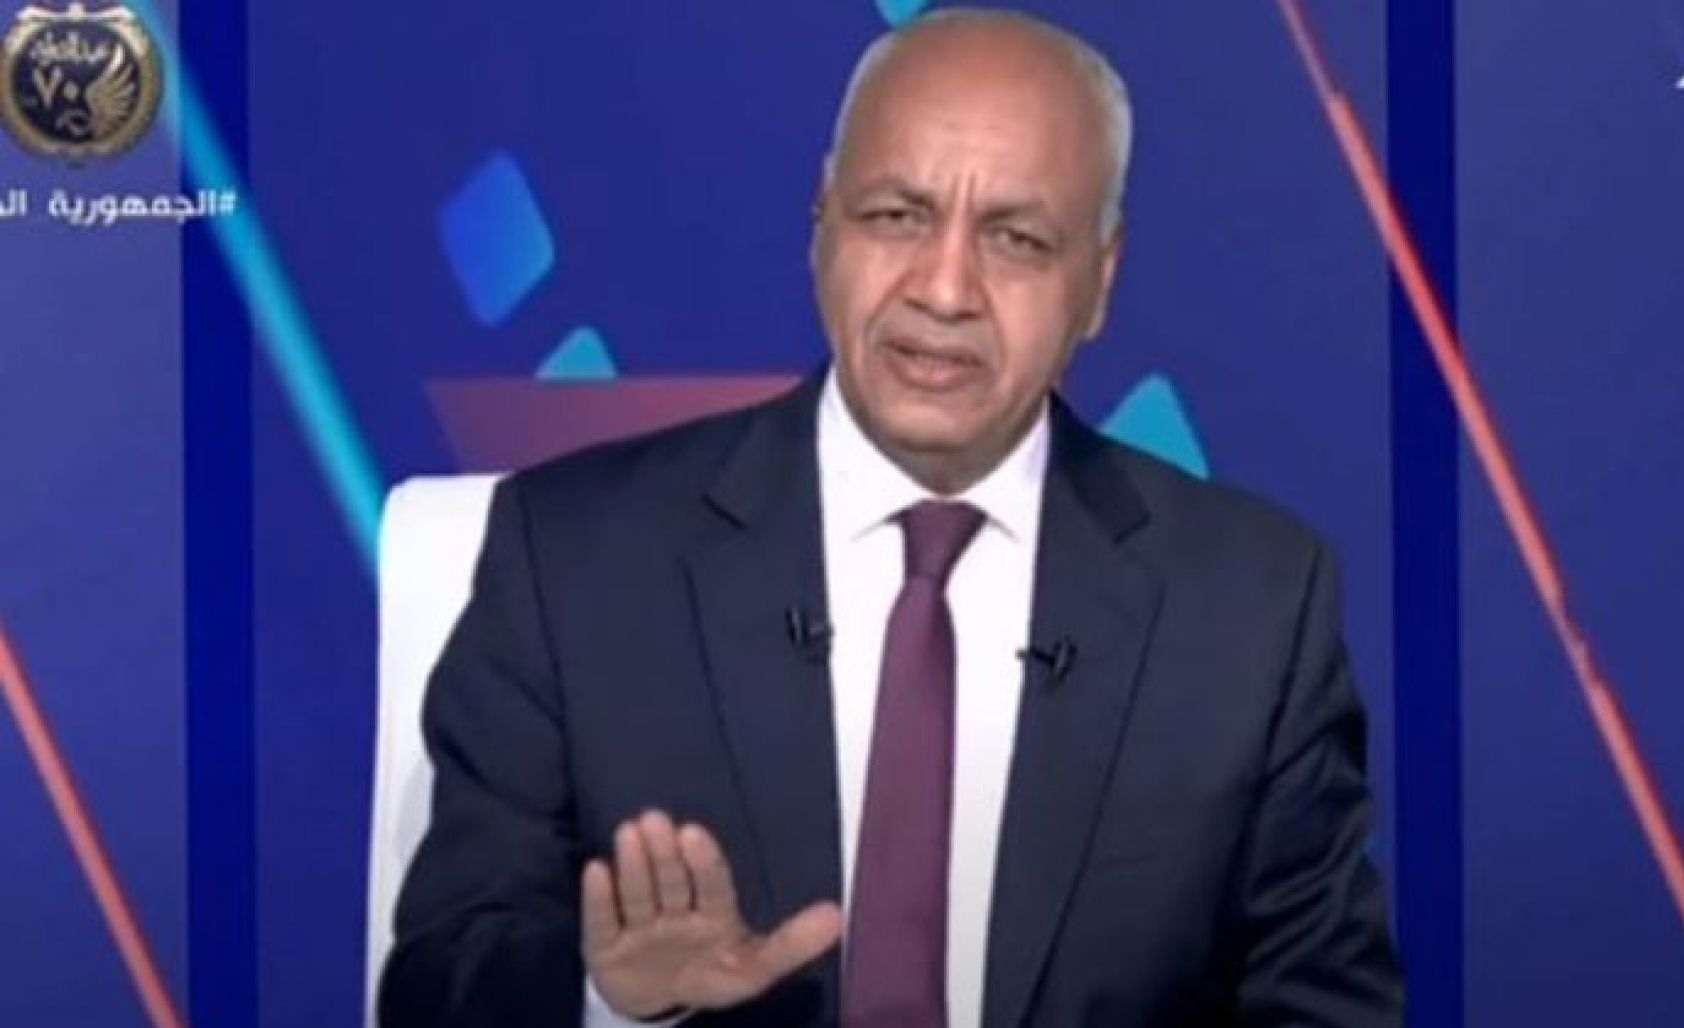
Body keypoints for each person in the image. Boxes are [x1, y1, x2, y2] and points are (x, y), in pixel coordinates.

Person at [379, 8, 1403, 1027]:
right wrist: (610, 994)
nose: (945, 289)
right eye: (897, 217)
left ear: (1100, 279)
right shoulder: (571, 560)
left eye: (1016, 238)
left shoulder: (1251, 606)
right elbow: (434, 987)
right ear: (820, 223)